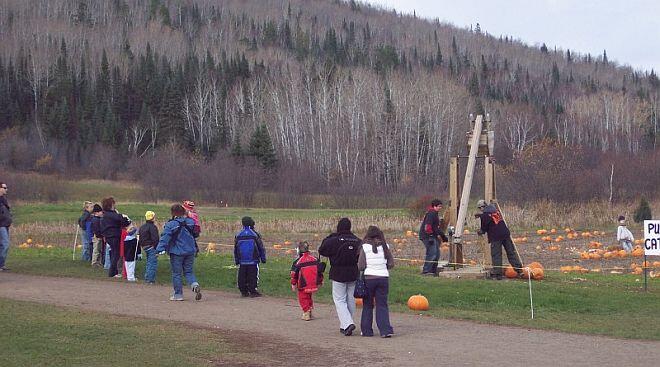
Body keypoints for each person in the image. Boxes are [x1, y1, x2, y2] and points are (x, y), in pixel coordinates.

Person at [318, 218, 361, 336]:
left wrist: (331, 236)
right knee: (351, 299)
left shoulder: (333, 240)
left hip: (338, 273)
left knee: (339, 299)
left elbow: (322, 249)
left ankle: (347, 323)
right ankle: (345, 325)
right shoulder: (357, 240)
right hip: (353, 272)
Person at [156, 204, 202, 301]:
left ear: (172, 213)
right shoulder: (190, 222)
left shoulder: (171, 224)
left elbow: (165, 237)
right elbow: (195, 234)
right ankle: (194, 284)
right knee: (189, 271)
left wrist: (159, 249)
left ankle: (178, 294)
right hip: (190, 250)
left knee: (177, 273)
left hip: (177, 252)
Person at [358, 226, 395, 338]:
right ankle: (385, 330)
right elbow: (391, 264)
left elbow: (361, 265)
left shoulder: (364, 247)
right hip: (383, 278)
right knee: (382, 305)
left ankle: (366, 330)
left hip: (369, 278)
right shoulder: (385, 247)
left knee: (368, 305)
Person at [476, 199, 523, 280]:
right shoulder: (495, 211)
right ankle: (519, 271)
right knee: (511, 252)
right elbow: (491, 219)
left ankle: (498, 274)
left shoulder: (484, 216)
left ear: (481, 207)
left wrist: (479, 231)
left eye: (480, 208)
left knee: (496, 255)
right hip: (505, 234)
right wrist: (480, 216)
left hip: (496, 237)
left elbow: (483, 229)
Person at [233, 216, 266, 297]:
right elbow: (260, 247)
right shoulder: (255, 234)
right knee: (253, 275)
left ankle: (243, 291)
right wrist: (263, 258)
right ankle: (253, 290)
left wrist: (237, 260)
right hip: (253, 260)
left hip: (242, 260)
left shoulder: (238, 235)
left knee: (242, 275)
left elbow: (236, 249)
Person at [290, 241, 323, 321]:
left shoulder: (298, 262)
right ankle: (310, 309)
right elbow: (320, 272)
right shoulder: (315, 259)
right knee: (309, 296)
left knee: (303, 298)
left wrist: (293, 284)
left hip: (303, 283)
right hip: (313, 283)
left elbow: (294, 274)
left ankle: (306, 312)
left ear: (298, 250)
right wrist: (320, 281)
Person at [100, 197, 131, 278]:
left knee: (113, 253)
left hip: (108, 236)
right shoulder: (112, 215)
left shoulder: (105, 215)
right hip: (114, 236)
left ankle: (114, 271)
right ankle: (112, 272)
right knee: (116, 254)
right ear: (111, 205)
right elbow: (122, 220)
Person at [418, 199, 449, 276]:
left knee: (437, 254)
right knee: (432, 254)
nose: (440, 208)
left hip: (431, 236)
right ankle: (426, 271)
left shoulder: (435, 214)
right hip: (427, 236)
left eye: (441, 206)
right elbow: (427, 226)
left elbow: (435, 228)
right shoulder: (431, 213)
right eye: (439, 206)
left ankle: (433, 271)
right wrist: (431, 236)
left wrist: (442, 236)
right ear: (434, 206)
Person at [139, 211, 159, 284]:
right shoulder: (153, 227)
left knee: (149, 263)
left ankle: (147, 278)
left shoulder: (142, 227)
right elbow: (155, 239)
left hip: (144, 247)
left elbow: (140, 237)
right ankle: (150, 280)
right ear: (152, 218)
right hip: (151, 247)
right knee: (152, 264)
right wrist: (157, 249)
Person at [0, 182, 12, 271]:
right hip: (1, 225)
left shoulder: (4, 199)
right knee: (5, 244)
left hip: (6, 224)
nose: (6, 189)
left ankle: (2, 265)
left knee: (3, 245)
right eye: (4, 187)